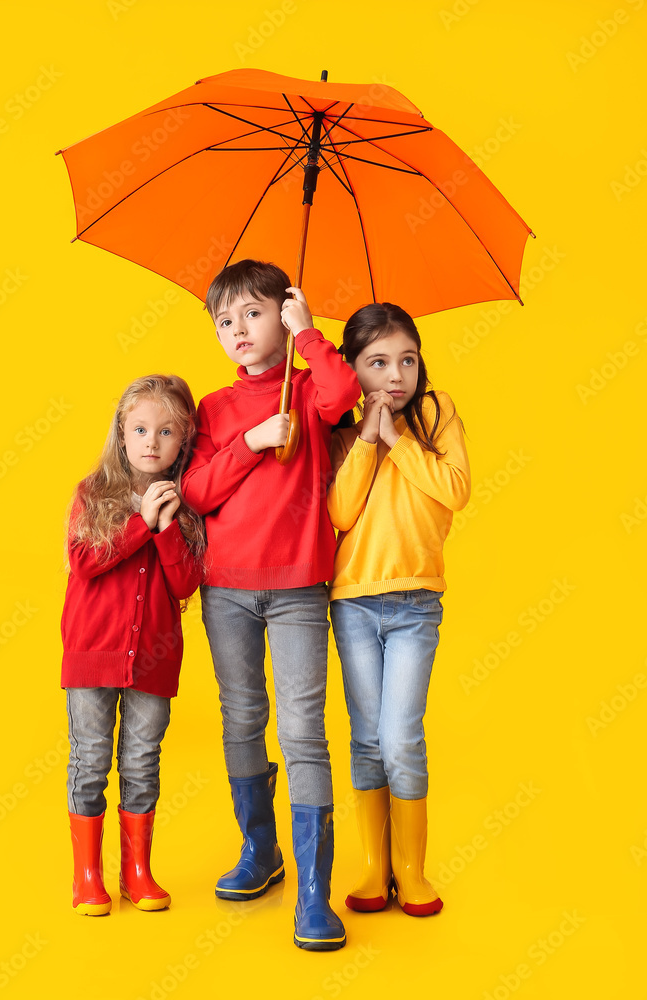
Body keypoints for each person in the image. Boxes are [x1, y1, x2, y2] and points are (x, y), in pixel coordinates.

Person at [182, 259, 360, 950]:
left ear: (280, 316)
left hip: (296, 589)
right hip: (224, 585)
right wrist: (252, 445)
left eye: (253, 314)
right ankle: (261, 851)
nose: (237, 331)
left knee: (301, 726)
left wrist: (310, 333)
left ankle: (314, 894)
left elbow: (345, 389)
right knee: (242, 716)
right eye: (224, 321)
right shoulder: (214, 408)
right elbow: (197, 491)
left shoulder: (313, 387)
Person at [327, 303, 471, 917]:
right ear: (353, 370)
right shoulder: (341, 429)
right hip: (355, 601)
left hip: (416, 602)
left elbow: (454, 490)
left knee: (400, 736)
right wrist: (366, 438)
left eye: (406, 359)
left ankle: (411, 870)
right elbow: (338, 513)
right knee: (365, 738)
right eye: (378, 362)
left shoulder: (435, 414)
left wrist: (398, 438)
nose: (396, 374)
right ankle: (373, 868)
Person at [61, 374, 203, 916]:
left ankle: (137, 872)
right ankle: (88, 876)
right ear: (122, 434)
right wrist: (141, 523)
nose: (151, 441)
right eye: (140, 429)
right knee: (91, 760)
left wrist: (166, 528)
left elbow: (187, 583)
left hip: (153, 660)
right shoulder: (92, 492)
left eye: (165, 432)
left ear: (182, 441)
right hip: (92, 654)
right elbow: (84, 560)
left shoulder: (186, 505)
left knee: (142, 762)